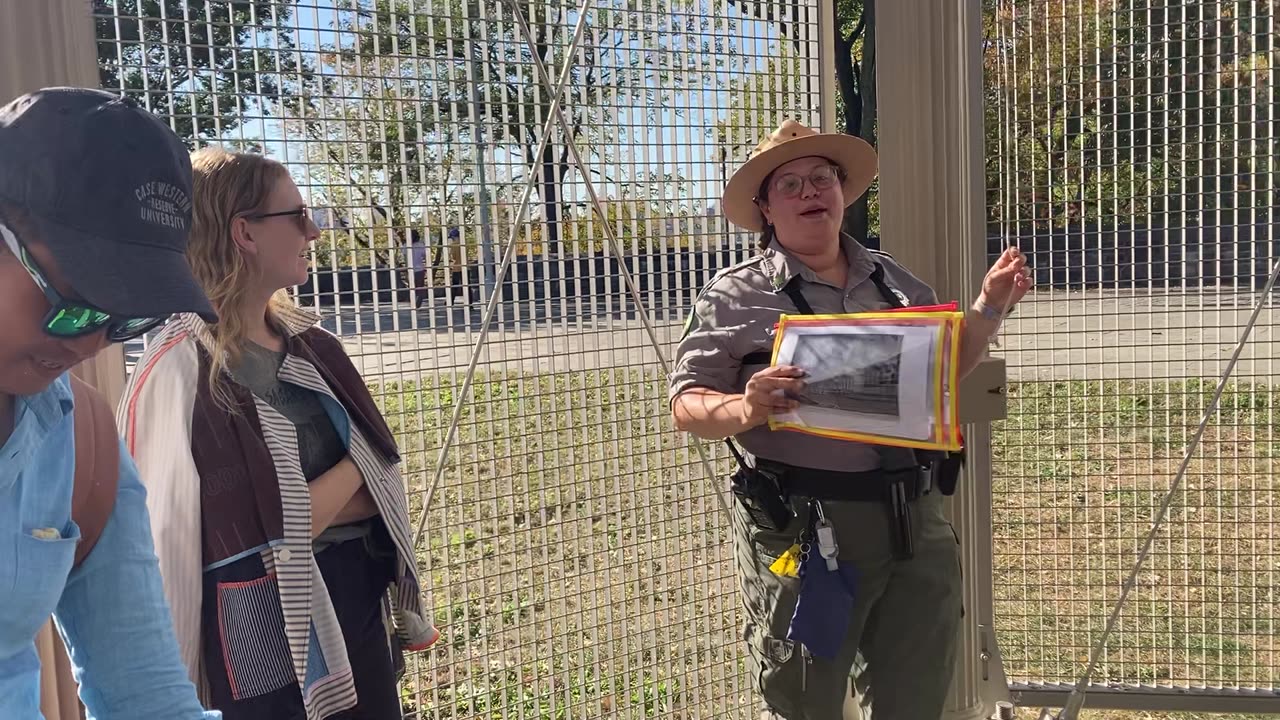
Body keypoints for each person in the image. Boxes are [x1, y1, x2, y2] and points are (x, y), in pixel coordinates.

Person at [669, 120, 1031, 720]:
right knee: (806, 699)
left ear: (843, 192)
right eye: (790, 183)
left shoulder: (894, 282)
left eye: (822, 178)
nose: (810, 191)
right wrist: (746, 407)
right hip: (811, 533)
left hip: (918, 523)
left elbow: (942, 369)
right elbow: (686, 407)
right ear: (764, 206)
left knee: (915, 698)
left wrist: (989, 306)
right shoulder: (735, 297)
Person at [119, 147, 439, 719]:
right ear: (243, 232)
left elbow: (382, 483)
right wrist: (350, 468)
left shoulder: (317, 350)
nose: (313, 231)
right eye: (295, 214)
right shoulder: (180, 368)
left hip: (355, 600)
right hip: (255, 626)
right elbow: (175, 533)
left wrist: (308, 498)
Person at [0, 87, 220, 718]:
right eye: (74, 301)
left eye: (123, 317)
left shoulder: (82, 441)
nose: (92, 342)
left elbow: (143, 695)